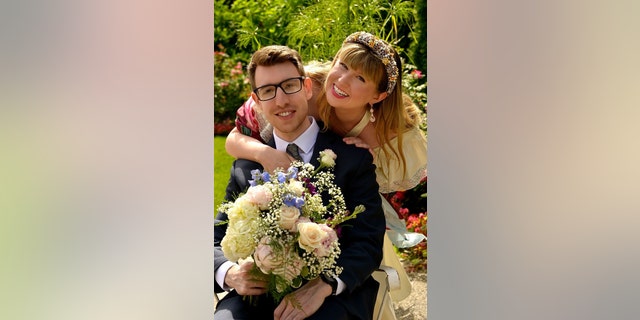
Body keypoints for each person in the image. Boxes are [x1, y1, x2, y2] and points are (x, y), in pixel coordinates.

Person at [214, 45, 386, 320]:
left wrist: (325, 285)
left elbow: (367, 242)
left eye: (289, 86)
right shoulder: (246, 166)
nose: (281, 100)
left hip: (330, 298)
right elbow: (213, 241)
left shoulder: (353, 159)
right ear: (256, 101)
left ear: (307, 87)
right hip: (255, 297)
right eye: (268, 91)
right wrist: (230, 273)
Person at [225, 32, 427, 249]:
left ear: (377, 97)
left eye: (360, 78)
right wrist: (265, 154)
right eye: (343, 66)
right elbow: (233, 139)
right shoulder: (300, 90)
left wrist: (359, 158)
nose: (342, 81)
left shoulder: (388, 134)